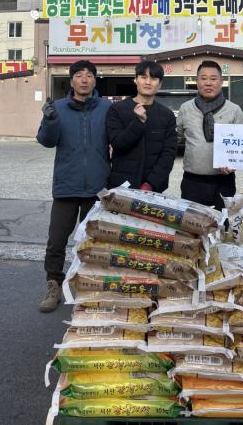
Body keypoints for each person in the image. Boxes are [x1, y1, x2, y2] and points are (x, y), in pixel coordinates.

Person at [37, 60, 110, 312]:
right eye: (79, 75)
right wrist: (49, 120)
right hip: (66, 186)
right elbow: (46, 141)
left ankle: (89, 287)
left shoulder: (106, 108)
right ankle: (53, 285)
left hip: (97, 188)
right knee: (56, 241)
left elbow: (120, 139)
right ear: (71, 81)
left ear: (95, 80)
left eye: (89, 75)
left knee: (93, 242)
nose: (84, 79)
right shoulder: (57, 108)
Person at [177, 60, 243, 209]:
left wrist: (233, 164)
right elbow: (177, 138)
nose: (208, 83)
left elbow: (241, 148)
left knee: (222, 222)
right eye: (203, 78)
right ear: (196, 81)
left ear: (221, 81)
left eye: (213, 78)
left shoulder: (234, 110)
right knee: (192, 222)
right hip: (192, 182)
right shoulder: (185, 109)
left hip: (224, 181)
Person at [107, 61, 177, 192]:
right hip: (122, 185)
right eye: (143, 77)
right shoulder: (117, 109)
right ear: (135, 80)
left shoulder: (167, 115)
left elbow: (168, 154)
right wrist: (138, 122)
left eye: (153, 78)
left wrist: (151, 183)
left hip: (153, 189)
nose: (148, 82)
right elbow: (118, 144)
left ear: (160, 84)